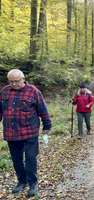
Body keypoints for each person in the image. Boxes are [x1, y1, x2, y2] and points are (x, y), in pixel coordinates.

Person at [0, 69, 51, 197]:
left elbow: (43, 109)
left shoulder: (33, 91)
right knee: (16, 160)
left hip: (30, 133)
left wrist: (47, 126)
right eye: (11, 81)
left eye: (16, 81)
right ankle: (21, 181)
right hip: (11, 133)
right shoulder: (4, 91)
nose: (14, 84)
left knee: (30, 159)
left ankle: (33, 184)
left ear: (23, 79)